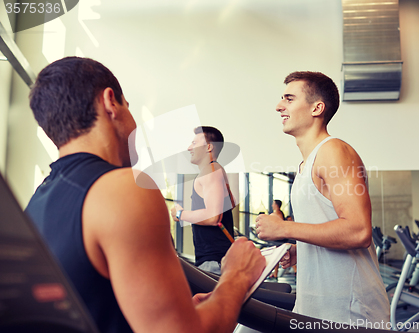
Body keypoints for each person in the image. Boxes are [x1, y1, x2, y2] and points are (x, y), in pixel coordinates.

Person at [24, 57, 265, 333]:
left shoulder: (39, 199)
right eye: (129, 107)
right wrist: (237, 276)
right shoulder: (125, 188)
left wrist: (182, 309)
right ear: (110, 102)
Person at [255, 71, 389, 325]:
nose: (279, 106)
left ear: (317, 107)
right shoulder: (306, 164)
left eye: (289, 99)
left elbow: (358, 231)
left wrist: (284, 227)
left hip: (348, 309)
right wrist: (300, 249)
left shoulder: (334, 151)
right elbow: (327, 226)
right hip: (319, 304)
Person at [170, 126, 235, 274]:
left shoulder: (211, 172)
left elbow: (213, 217)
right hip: (217, 259)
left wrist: (181, 214)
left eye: (194, 143)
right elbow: (230, 203)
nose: (189, 148)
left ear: (209, 147)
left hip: (214, 262)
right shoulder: (215, 170)